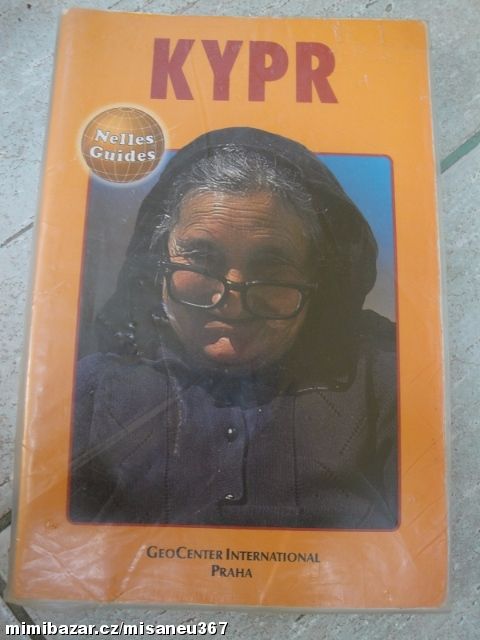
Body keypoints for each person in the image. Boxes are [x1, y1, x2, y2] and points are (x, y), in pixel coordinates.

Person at [69, 127, 398, 529]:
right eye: (202, 259)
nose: (233, 304)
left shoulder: (384, 381)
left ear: (316, 279)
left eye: (272, 268)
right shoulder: (92, 390)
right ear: (158, 262)